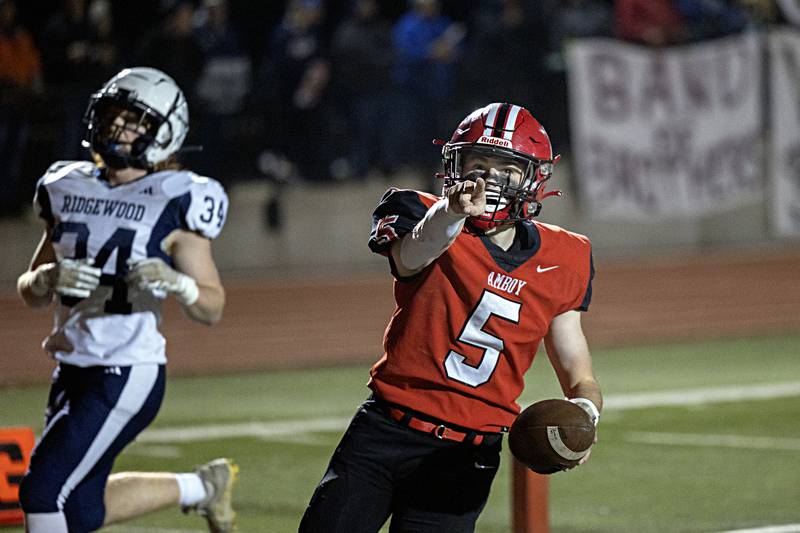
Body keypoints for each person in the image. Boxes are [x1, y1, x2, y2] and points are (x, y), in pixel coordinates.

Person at [300, 102, 603, 533]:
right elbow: (409, 258)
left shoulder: (566, 256)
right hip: (387, 431)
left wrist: (584, 416)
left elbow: (580, 375)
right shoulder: (421, 213)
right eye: (477, 164)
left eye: (506, 169)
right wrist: (450, 214)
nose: (488, 179)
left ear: (533, 179)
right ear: (454, 166)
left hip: (467, 455)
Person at [16, 67, 237, 533]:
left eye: (132, 120)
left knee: (41, 488)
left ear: (163, 132)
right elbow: (30, 291)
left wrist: (180, 285)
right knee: (80, 510)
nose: (117, 128)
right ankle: (202, 487)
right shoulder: (66, 185)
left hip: (126, 368)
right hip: (72, 365)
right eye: (112, 116)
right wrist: (47, 277)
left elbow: (212, 307)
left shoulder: (178, 197)